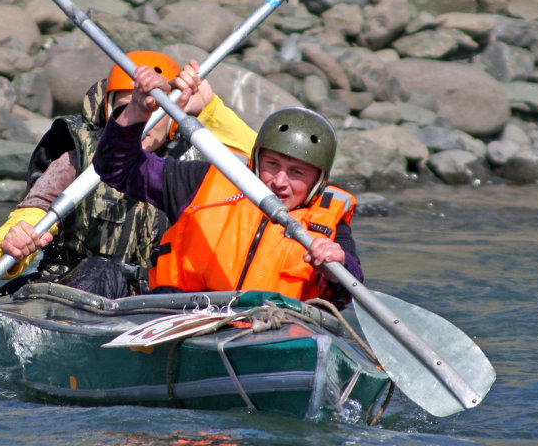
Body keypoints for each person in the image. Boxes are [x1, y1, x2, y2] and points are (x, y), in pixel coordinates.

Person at [0, 51, 256, 298]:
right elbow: (25, 220)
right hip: (79, 293)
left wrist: (209, 109)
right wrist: (11, 244)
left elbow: (279, 175)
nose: (145, 120)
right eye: (128, 109)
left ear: (175, 115)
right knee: (101, 271)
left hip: (159, 299)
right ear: (109, 114)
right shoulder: (75, 162)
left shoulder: (196, 166)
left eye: (157, 110)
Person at [93, 62, 361, 306]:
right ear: (256, 159)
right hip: (179, 317)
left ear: (319, 180)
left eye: (296, 172)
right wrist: (137, 110)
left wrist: (337, 268)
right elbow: (117, 168)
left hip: (272, 330)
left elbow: (346, 291)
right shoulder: (203, 181)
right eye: (272, 165)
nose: (279, 181)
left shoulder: (330, 221)